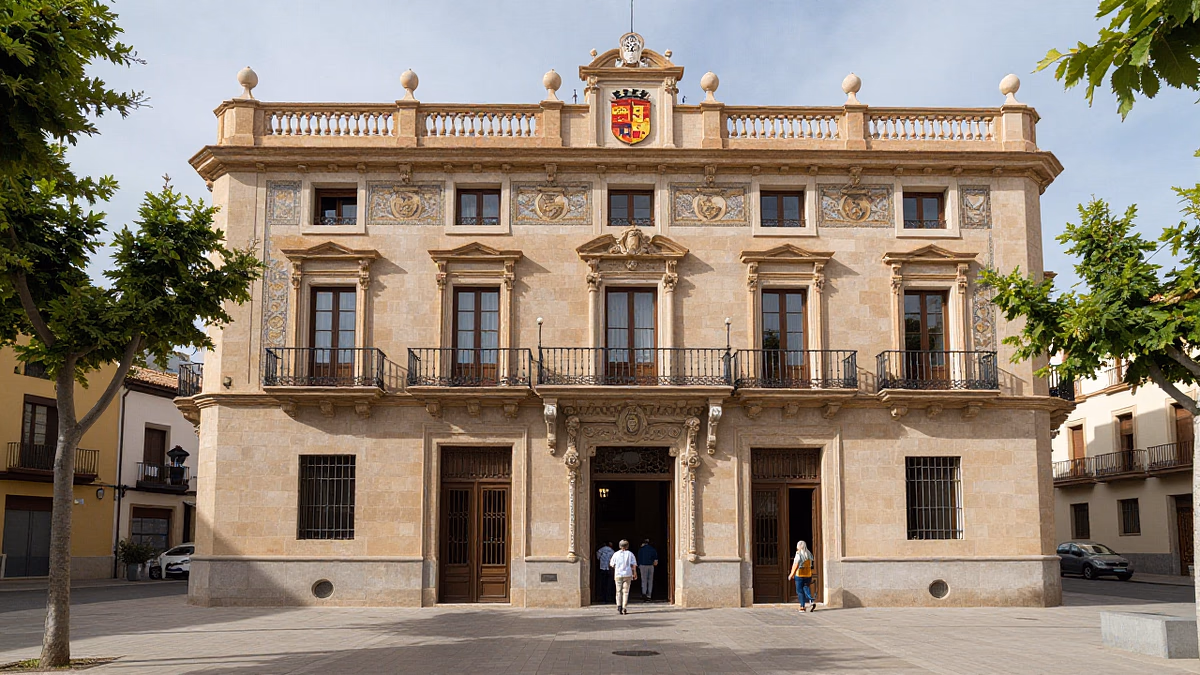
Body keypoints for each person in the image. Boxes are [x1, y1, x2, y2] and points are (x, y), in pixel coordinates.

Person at [610, 539, 638, 615]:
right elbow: (633, 565)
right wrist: (634, 573)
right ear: (627, 546)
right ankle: (624, 607)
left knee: (618, 591)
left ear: (620, 546)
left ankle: (619, 605)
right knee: (625, 591)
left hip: (618, 574)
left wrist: (617, 568)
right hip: (627, 574)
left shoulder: (616, 554)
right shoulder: (630, 554)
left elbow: (612, 564)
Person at [787, 540, 816, 612]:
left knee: (799, 591)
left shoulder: (798, 554)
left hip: (799, 575)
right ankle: (811, 600)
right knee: (806, 587)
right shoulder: (809, 553)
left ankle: (802, 606)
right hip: (808, 574)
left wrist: (791, 574)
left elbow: (795, 565)